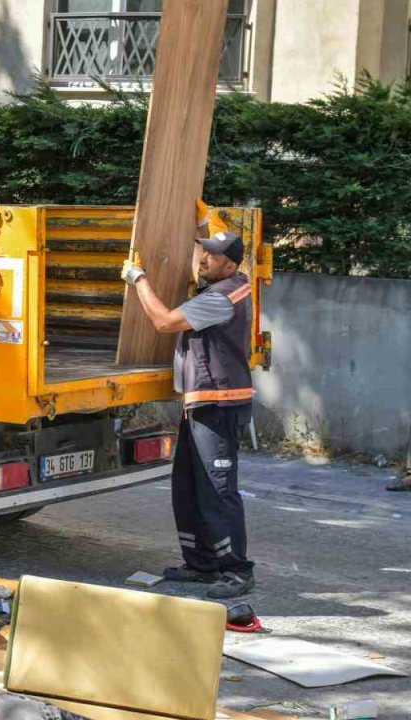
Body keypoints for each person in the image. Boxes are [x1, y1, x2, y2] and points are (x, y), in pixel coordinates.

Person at [121, 219, 257, 600]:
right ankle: (201, 563)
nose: (203, 259)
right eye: (203, 252)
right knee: (188, 487)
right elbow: (195, 263)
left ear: (228, 266)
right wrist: (198, 221)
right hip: (201, 403)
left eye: (211, 256)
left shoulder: (219, 298)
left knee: (217, 490)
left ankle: (236, 570)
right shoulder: (223, 284)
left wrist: (140, 280)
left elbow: (164, 322)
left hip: (219, 404)